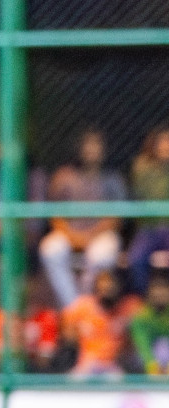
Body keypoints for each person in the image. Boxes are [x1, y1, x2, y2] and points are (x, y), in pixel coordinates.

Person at [38, 129, 127, 307]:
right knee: (50, 250)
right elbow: (54, 214)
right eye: (88, 145)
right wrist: (72, 236)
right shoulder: (64, 176)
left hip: (101, 234)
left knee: (101, 256)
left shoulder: (112, 178)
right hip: (69, 234)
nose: (92, 150)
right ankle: (72, 307)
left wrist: (89, 236)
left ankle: (88, 305)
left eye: (96, 145)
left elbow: (116, 219)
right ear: (79, 148)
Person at [60, 268, 139, 378]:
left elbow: (139, 331)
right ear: (96, 288)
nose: (107, 289)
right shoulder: (83, 307)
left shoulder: (129, 308)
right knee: (74, 382)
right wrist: (78, 333)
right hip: (87, 363)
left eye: (110, 287)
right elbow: (67, 334)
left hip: (114, 365)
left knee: (120, 382)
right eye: (103, 287)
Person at [125, 125, 169, 293]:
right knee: (135, 259)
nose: (166, 146)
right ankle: (144, 298)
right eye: (163, 141)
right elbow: (141, 195)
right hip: (148, 229)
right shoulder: (142, 167)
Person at [130, 269, 169, 375]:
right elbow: (142, 344)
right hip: (147, 359)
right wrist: (152, 364)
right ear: (149, 294)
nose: (160, 294)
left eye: (164, 290)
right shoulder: (141, 317)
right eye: (156, 291)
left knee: (164, 346)